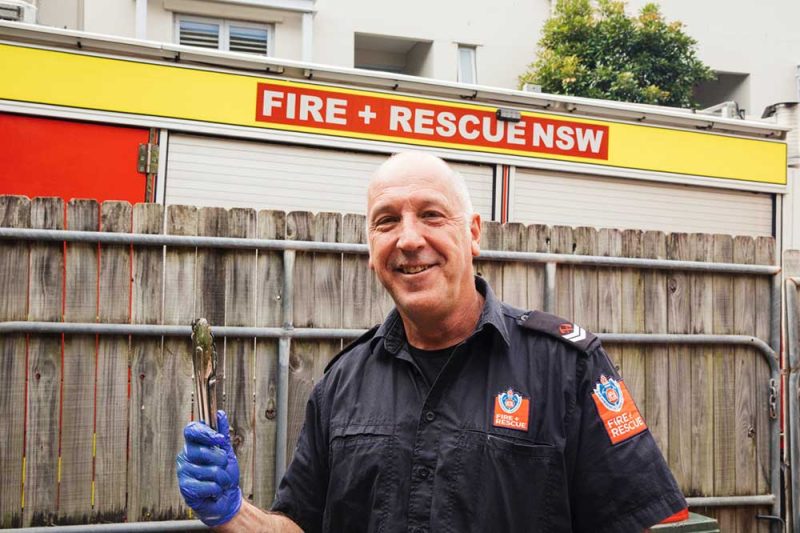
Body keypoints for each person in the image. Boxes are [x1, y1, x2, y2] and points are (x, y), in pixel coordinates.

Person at [177, 151, 687, 532]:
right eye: (387, 221)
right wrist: (232, 512)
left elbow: (653, 522)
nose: (409, 239)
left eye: (431, 215)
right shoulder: (341, 385)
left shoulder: (566, 368)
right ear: (371, 250)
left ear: (473, 233)